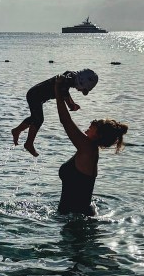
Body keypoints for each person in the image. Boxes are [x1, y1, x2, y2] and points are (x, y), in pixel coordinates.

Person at [55, 76, 128, 216]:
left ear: (99, 135)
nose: (93, 121)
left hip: (77, 222)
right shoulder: (89, 150)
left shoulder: (87, 149)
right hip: (76, 218)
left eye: (97, 123)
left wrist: (58, 90)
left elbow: (65, 121)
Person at [12, 68, 98, 157]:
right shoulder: (68, 79)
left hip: (35, 95)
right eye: (83, 89)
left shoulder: (70, 78)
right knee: (38, 119)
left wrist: (72, 104)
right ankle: (28, 143)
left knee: (35, 118)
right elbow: (64, 92)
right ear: (82, 81)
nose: (80, 91)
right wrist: (70, 105)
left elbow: (65, 92)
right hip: (35, 95)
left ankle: (17, 131)